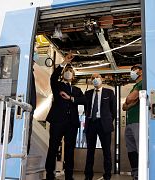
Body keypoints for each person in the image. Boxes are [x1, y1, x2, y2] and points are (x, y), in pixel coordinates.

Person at [60, 73, 116, 180]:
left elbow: (113, 110)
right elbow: (81, 101)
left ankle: (107, 175)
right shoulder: (88, 93)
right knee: (90, 151)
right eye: (93, 78)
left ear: (102, 79)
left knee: (106, 151)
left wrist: (107, 121)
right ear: (91, 81)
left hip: (104, 124)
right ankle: (88, 175)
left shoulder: (109, 92)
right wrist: (70, 97)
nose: (95, 79)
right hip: (91, 123)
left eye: (97, 77)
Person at [45, 52, 84, 180]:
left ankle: (69, 175)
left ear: (73, 76)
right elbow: (53, 77)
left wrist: (71, 98)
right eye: (66, 71)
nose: (68, 73)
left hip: (71, 123)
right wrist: (64, 63)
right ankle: (50, 174)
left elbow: (84, 100)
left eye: (70, 71)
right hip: (57, 121)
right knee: (53, 147)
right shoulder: (58, 86)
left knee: (70, 150)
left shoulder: (77, 90)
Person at [122, 64, 143, 180]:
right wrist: (131, 102)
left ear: (141, 71)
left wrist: (129, 102)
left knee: (140, 149)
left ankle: (142, 173)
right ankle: (135, 173)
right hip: (130, 122)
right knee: (131, 149)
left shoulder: (142, 84)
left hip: (138, 122)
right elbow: (124, 106)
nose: (132, 72)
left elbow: (129, 99)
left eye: (134, 70)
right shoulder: (134, 86)